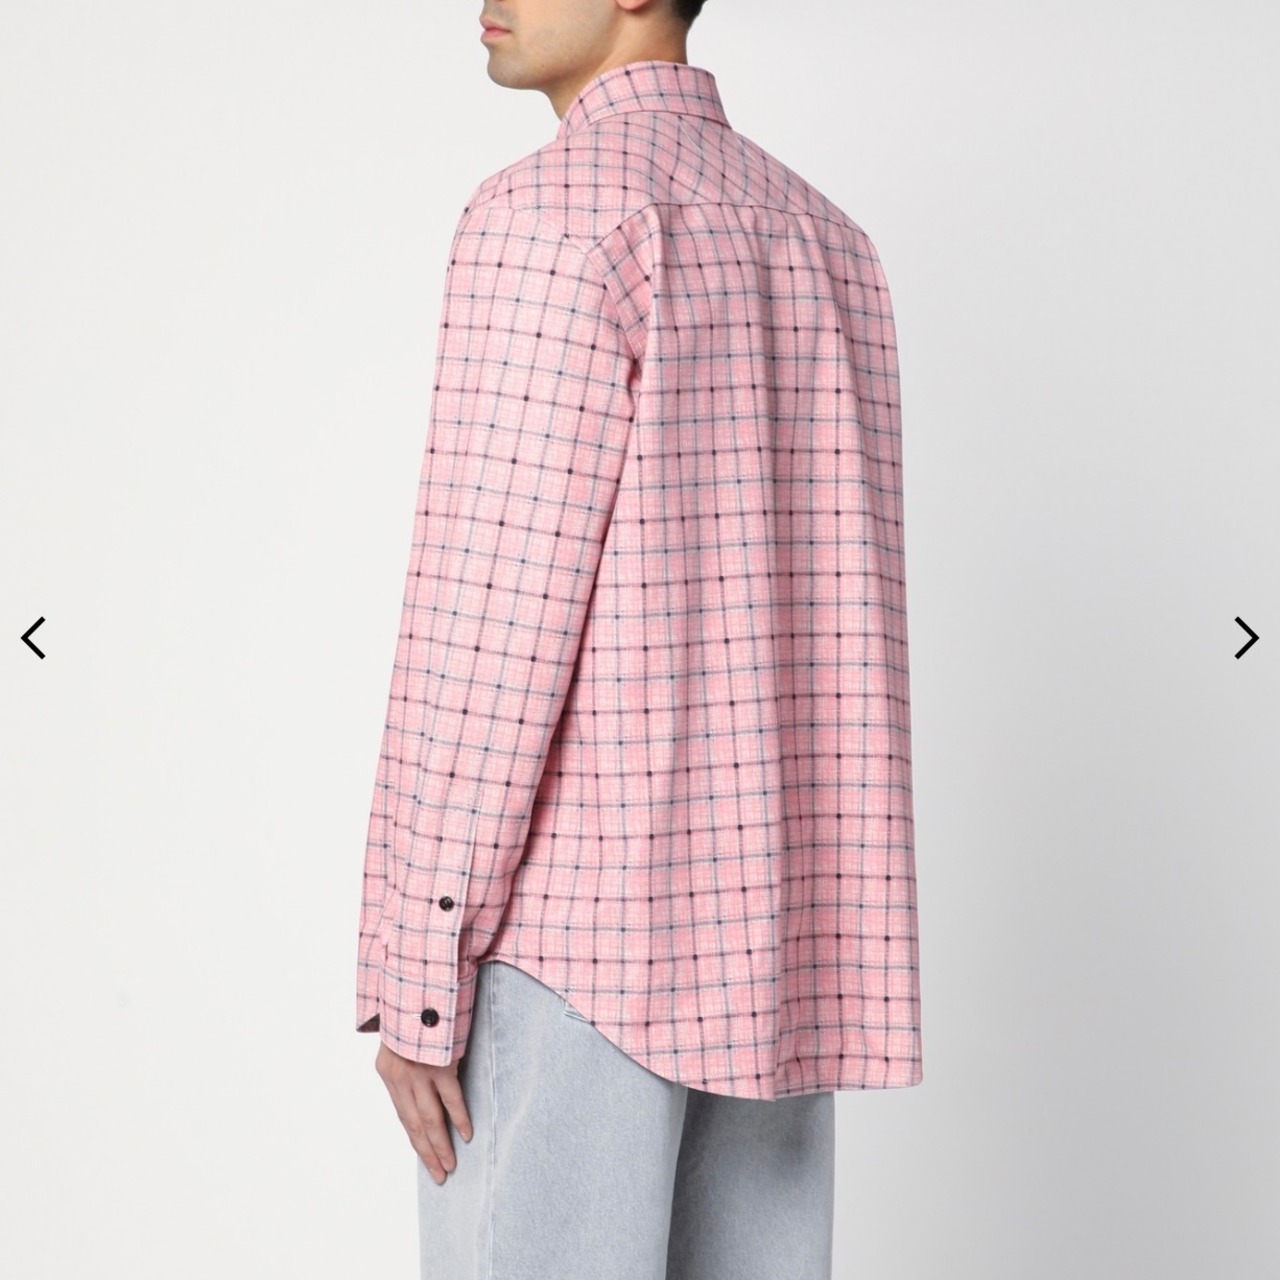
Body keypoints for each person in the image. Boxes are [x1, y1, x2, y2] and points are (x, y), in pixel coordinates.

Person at [354, 2, 924, 1275]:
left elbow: (490, 621)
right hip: (775, 951)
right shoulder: (824, 240)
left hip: (572, 947)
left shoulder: (551, 215)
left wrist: (421, 966)